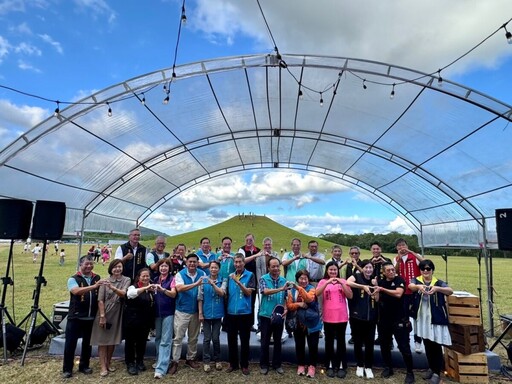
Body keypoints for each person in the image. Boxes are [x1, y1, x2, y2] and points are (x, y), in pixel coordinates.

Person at [409, 260, 453, 384]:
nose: (425, 271)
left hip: (435, 318)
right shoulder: (416, 280)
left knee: (435, 345)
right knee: (427, 344)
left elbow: (450, 291)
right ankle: (432, 368)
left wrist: (437, 289)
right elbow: (411, 286)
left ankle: (437, 372)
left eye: (428, 269)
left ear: (432, 270)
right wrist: (419, 287)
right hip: (422, 318)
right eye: (423, 269)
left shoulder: (438, 282)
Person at [62, 255, 104, 379]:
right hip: (75, 317)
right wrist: (94, 287)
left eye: (91, 264)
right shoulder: (73, 278)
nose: (89, 266)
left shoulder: (97, 277)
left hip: (90, 317)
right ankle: (67, 369)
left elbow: (100, 296)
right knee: (70, 344)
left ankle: (84, 366)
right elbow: (76, 291)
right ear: (80, 265)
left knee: (88, 344)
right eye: (86, 264)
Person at [376, 262, 415, 384]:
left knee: (404, 346)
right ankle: (388, 367)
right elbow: (376, 299)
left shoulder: (399, 280)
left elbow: (398, 294)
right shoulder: (380, 282)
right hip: (383, 319)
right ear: (383, 272)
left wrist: (381, 289)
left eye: (393, 270)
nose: (391, 272)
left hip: (399, 319)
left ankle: (410, 372)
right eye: (388, 270)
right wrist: (375, 288)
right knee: (384, 345)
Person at [90, 259, 131, 377]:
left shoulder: (126, 280)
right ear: (111, 269)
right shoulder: (104, 281)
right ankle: (103, 366)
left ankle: (108, 363)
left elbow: (123, 294)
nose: (117, 269)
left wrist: (112, 287)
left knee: (112, 340)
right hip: (105, 313)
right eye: (115, 267)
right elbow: (100, 300)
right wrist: (102, 316)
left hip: (117, 313)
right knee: (102, 341)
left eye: (119, 266)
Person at [169, 253, 206, 374]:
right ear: (186, 262)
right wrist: (196, 284)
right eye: (190, 262)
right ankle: (175, 361)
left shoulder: (202, 274)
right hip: (182, 311)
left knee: (193, 337)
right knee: (178, 337)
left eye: (194, 262)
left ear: (197, 263)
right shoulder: (180, 274)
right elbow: (179, 288)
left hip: (195, 311)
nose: (192, 264)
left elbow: (202, 291)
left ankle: (190, 358)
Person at [316, 260, 353, 379]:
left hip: (341, 317)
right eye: (331, 269)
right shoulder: (323, 281)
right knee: (329, 342)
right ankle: (329, 365)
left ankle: (342, 366)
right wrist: (327, 283)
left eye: (335, 270)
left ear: (338, 271)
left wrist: (342, 284)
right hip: (328, 317)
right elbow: (317, 293)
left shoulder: (343, 281)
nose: (333, 272)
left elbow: (350, 296)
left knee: (341, 342)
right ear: (327, 271)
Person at [286, 269, 322, 378]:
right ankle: (301, 364)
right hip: (298, 322)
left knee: (313, 345)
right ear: (297, 279)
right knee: (299, 344)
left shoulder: (312, 289)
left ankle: (312, 366)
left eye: (305, 278)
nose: (303, 280)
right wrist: (299, 304)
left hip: (312, 322)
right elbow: (289, 306)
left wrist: (298, 288)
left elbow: (309, 299)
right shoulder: (292, 291)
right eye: (301, 278)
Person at [346, 259, 379, 379]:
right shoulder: (356, 276)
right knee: (358, 341)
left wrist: (375, 286)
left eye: (370, 268)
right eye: (366, 267)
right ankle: (359, 364)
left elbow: (377, 299)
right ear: (362, 268)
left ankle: (368, 366)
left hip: (371, 316)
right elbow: (348, 283)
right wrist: (363, 286)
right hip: (357, 315)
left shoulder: (375, 280)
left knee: (370, 342)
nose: (368, 270)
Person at [225, 253, 255, 375]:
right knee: (231, 340)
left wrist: (238, 282)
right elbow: (227, 294)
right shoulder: (229, 276)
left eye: (240, 262)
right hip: (231, 312)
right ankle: (233, 364)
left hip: (245, 313)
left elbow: (248, 293)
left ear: (244, 263)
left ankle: (244, 365)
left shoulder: (250, 275)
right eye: (235, 262)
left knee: (244, 340)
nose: (237, 264)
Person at [394, 237, 424, 353]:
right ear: (397, 248)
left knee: (417, 318)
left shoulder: (414, 256)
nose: (402, 248)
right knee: (404, 318)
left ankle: (418, 342)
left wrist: (412, 253)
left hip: (415, 291)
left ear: (407, 245)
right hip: (403, 292)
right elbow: (395, 271)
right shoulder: (396, 258)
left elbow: (424, 263)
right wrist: (399, 259)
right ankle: (404, 341)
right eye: (399, 246)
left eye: (403, 245)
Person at [259, 257, 288, 375]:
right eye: (273, 266)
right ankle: (264, 365)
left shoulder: (283, 280)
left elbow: (286, 296)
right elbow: (265, 291)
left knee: (278, 341)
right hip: (266, 314)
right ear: (268, 267)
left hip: (279, 315)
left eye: (277, 266)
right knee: (265, 341)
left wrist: (285, 308)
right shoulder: (263, 279)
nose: (276, 268)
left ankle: (277, 364)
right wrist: (280, 289)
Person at [123, 268, 156, 375]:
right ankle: (130, 363)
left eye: (148, 276)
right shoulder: (133, 287)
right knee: (130, 343)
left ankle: (140, 361)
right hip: (132, 320)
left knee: (142, 342)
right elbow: (130, 294)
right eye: (143, 276)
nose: (146, 278)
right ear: (139, 277)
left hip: (145, 321)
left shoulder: (151, 289)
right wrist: (146, 288)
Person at [198, 260, 227, 372]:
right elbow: (200, 298)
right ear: (209, 269)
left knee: (215, 338)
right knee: (206, 338)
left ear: (219, 269)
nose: (213, 269)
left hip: (218, 314)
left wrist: (213, 284)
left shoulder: (223, 280)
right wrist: (200, 313)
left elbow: (222, 293)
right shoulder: (203, 280)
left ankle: (217, 360)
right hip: (206, 313)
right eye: (212, 267)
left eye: (215, 268)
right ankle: (206, 361)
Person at [153, 258, 177, 379]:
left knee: (166, 340)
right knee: (158, 338)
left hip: (168, 313)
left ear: (169, 268)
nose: (163, 268)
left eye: (166, 266)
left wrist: (163, 290)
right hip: (157, 313)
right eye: (161, 266)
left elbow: (173, 294)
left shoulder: (172, 279)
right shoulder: (155, 279)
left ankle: (161, 368)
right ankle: (160, 360)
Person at [238, 233, 261, 331]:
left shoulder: (258, 250)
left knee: (252, 302)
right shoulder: (241, 249)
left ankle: (250, 324)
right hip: (244, 278)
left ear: (254, 240)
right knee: (242, 301)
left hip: (254, 279)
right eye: (247, 240)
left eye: (250, 240)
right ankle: (241, 324)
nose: (248, 242)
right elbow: (243, 260)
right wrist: (256, 255)